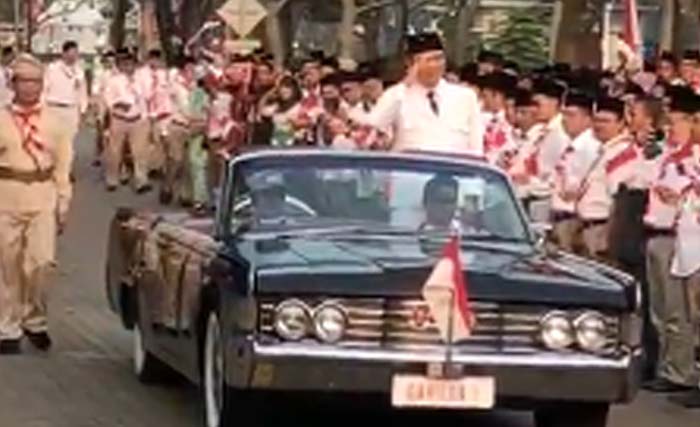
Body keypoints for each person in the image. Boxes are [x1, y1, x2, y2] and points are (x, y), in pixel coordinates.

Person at [0, 54, 73, 354]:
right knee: (8, 263)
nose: (30, 88)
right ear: (12, 83)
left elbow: (64, 165)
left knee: (41, 263)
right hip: (7, 192)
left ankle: (36, 319)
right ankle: (8, 326)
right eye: (24, 81)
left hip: (42, 192)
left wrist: (63, 201)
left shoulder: (55, 122)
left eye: (36, 82)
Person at [643, 89, 700, 394]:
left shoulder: (694, 157)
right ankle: (668, 368)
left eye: (678, 122)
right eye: (670, 121)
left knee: (682, 312)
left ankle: (683, 372)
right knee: (660, 311)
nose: (672, 127)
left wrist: (681, 199)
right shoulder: (665, 154)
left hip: (681, 239)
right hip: (656, 232)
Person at [366, 32, 483, 155]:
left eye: (439, 58)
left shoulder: (465, 97)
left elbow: (476, 147)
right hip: (410, 170)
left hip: (453, 170)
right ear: (411, 63)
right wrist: (405, 84)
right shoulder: (397, 95)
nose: (435, 65)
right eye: (429, 60)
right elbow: (375, 125)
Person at [576, 97, 640, 261]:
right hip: (587, 227)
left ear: (620, 124)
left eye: (606, 121)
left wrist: (607, 237)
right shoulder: (605, 150)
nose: (599, 125)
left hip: (601, 229)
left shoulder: (621, 152)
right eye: (596, 120)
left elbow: (618, 199)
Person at [550, 91, 600, 253]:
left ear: (587, 119)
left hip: (573, 217)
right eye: (564, 114)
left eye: (572, 115)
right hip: (560, 214)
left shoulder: (591, 146)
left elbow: (591, 181)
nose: (565, 120)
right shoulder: (571, 143)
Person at [103, 49, 151, 193]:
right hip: (119, 118)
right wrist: (118, 105)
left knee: (140, 151)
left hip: (138, 119)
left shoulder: (141, 80)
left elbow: (147, 96)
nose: (128, 67)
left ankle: (141, 180)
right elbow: (108, 98)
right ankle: (112, 179)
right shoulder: (114, 80)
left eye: (131, 64)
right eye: (125, 64)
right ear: (121, 66)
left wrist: (144, 116)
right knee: (115, 151)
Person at [42, 40, 88, 145]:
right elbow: (44, 88)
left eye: (75, 54)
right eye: (70, 53)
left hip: (71, 110)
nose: (73, 57)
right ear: (63, 53)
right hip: (53, 108)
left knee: (68, 143)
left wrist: (83, 111)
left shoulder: (79, 71)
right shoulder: (52, 68)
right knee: (51, 141)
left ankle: (65, 160)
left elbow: (82, 92)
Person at [136, 49, 172, 177]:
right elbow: (140, 94)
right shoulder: (140, 74)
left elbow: (168, 91)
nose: (155, 62)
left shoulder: (164, 73)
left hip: (161, 112)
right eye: (153, 59)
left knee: (160, 140)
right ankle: (143, 170)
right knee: (144, 142)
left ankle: (158, 166)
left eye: (157, 59)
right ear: (148, 59)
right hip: (145, 111)